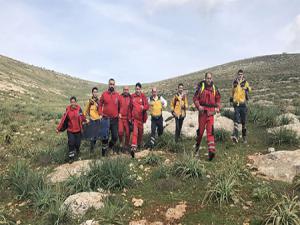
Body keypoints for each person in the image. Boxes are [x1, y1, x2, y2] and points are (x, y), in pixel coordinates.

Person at [193, 72, 221, 161]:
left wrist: (217, 107)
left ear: (212, 79)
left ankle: (211, 151)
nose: (209, 80)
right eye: (207, 78)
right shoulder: (201, 87)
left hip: (211, 114)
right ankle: (197, 148)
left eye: (210, 78)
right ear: (205, 78)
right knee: (200, 133)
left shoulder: (214, 88)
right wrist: (198, 106)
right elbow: (195, 98)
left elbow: (218, 100)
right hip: (202, 113)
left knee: (210, 132)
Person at [56, 96, 86, 162]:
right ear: (70, 103)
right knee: (71, 143)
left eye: (74, 102)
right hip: (70, 131)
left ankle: (77, 150)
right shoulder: (68, 110)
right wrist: (58, 128)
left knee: (78, 144)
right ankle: (71, 158)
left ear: (76, 102)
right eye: (71, 102)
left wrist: (85, 120)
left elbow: (82, 116)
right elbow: (63, 120)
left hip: (78, 130)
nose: (73, 103)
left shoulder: (79, 109)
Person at [98, 78, 120, 156]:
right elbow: (100, 104)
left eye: (113, 84)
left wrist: (120, 113)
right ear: (108, 84)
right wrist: (100, 113)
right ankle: (103, 154)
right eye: (110, 84)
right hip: (105, 119)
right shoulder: (104, 94)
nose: (112, 85)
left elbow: (120, 106)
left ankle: (109, 147)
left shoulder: (117, 95)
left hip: (114, 119)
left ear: (115, 85)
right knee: (105, 138)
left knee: (115, 137)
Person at [230, 69, 251, 144]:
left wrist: (246, 88)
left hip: (243, 104)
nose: (240, 75)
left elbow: (250, 89)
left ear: (243, 75)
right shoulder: (234, 82)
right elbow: (232, 91)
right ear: (237, 75)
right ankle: (235, 138)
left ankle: (244, 138)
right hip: (236, 104)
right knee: (236, 121)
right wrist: (231, 100)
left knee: (243, 122)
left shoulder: (245, 82)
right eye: (239, 74)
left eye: (241, 74)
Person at [130, 82, 149, 158]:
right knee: (135, 132)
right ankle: (133, 147)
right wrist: (130, 117)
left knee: (141, 133)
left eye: (138, 89)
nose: (137, 90)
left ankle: (139, 145)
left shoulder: (143, 96)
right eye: (136, 89)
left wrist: (143, 107)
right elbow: (130, 107)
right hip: (134, 119)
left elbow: (147, 106)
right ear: (135, 89)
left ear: (140, 89)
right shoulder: (132, 96)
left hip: (141, 119)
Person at [83, 87, 101, 152]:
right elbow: (85, 111)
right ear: (92, 93)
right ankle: (91, 149)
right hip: (92, 120)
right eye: (94, 92)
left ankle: (93, 148)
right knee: (92, 135)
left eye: (96, 92)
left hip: (98, 120)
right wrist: (84, 119)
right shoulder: (89, 101)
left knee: (96, 135)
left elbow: (100, 110)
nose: (95, 93)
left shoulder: (99, 101)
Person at [118, 86, 132, 152]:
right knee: (120, 132)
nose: (126, 91)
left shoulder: (130, 97)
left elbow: (132, 107)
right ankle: (121, 143)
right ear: (123, 90)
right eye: (124, 90)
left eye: (127, 90)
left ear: (128, 90)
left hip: (127, 118)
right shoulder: (120, 97)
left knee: (127, 133)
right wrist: (118, 113)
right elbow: (116, 106)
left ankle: (126, 146)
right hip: (121, 117)